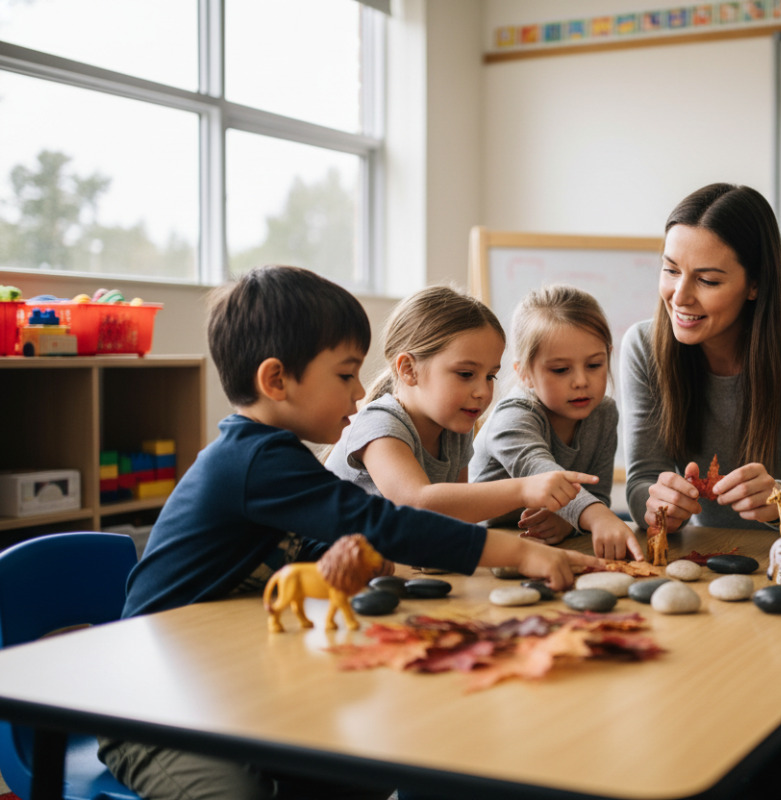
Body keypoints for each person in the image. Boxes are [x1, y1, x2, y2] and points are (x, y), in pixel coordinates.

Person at [103, 265, 602, 800]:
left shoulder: (278, 458)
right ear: (276, 381)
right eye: (344, 376)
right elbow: (382, 519)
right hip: (153, 707)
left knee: (355, 768)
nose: (361, 390)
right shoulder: (251, 460)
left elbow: (304, 545)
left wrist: (359, 560)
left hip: (231, 685)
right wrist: (513, 551)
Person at [619, 183, 781, 798]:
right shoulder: (643, 346)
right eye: (671, 270)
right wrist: (659, 503)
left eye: (708, 279)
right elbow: (641, 480)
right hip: (699, 569)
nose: (681, 296)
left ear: (755, 283)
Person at [325, 285, 598, 525]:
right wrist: (524, 489)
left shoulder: (456, 428)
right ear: (408, 369)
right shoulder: (380, 425)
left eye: (490, 376)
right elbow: (417, 502)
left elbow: (457, 513)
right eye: (466, 374)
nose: (482, 391)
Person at [470, 285, 642, 560]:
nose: (581, 381)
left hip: (538, 549)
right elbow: (540, 472)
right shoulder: (513, 415)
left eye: (595, 365)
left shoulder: (604, 412)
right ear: (525, 373)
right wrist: (595, 517)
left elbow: (597, 493)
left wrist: (568, 522)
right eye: (561, 370)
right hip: (478, 547)